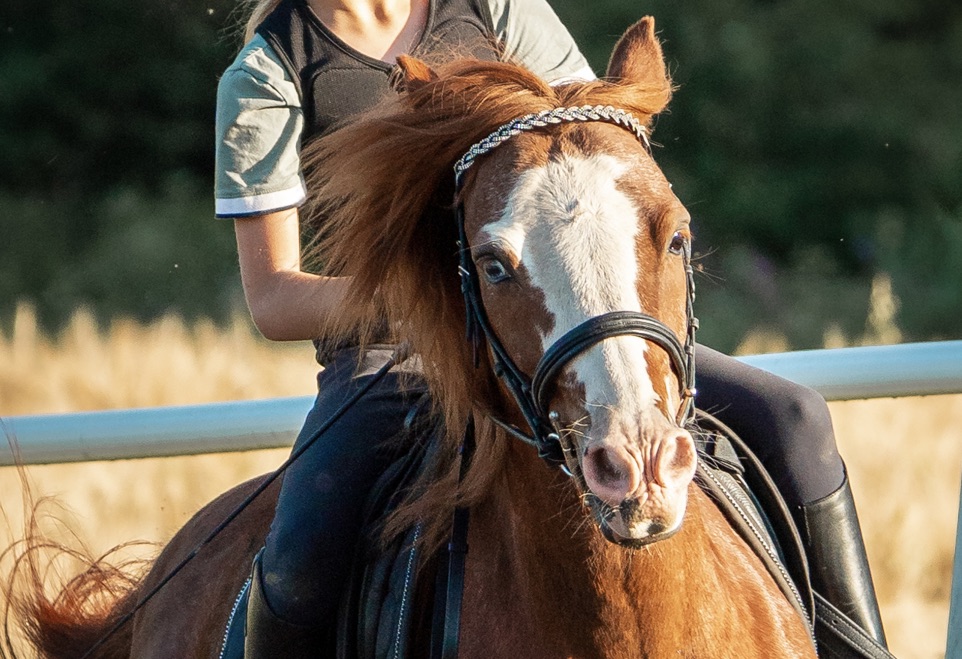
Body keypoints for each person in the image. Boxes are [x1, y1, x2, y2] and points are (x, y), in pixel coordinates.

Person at [214, 0, 887, 655]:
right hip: (392, 358)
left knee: (796, 417)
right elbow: (274, 299)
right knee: (300, 550)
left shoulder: (498, 9)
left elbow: (585, 150)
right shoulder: (268, 73)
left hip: (558, 319)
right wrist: (451, 299)